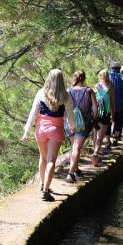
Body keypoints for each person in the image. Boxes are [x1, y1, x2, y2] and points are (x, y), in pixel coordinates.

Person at [21, 69, 75, 201]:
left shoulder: (41, 93)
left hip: (41, 130)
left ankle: (42, 184)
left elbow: (33, 114)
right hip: (56, 130)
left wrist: (26, 132)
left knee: (43, 158)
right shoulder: (66, 95)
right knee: (51, 160)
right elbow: (70, 115)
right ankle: (46, 191)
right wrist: (73, 128)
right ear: (61, 80)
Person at [65, 70, 98, 183]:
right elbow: (95, 109)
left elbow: (64, 107)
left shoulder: (68, 91)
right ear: (84, 78)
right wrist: (93, 119)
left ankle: (77, 170)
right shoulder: (89, 91)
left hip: (69, 123)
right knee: (77, 148)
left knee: (74, 147)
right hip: (84, 124)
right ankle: (70, 173)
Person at [91, 69, 115, 166]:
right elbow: (112, 103)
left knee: (95, 134)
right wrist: (113, 115)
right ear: (108, 76)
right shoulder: (111, 88)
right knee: (100, 137)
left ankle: (95, 153)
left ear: (100, 76)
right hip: (105, 113)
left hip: (95, 113)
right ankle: (96, 154)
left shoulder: (96, 87)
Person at [105, 62, 123, 147]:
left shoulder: (106, 77)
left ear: (112, 68)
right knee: (119, 122)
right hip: (121, 106)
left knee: (108, 122)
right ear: (119, 68)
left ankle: (108, 141)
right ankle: (115, 138)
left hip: (108, 105)